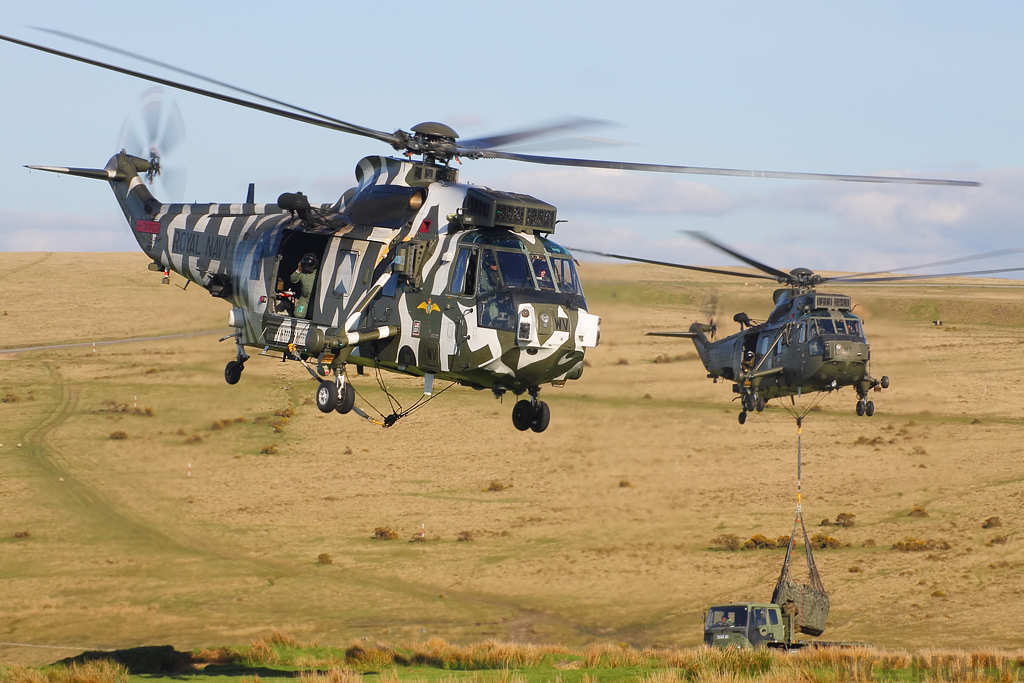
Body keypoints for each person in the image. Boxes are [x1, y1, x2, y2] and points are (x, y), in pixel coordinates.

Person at [290, 253, 318, 318]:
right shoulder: (302, 273)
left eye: (311, 268)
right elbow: (293, 280)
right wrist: (298, 271)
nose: (309, 269)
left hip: (314, 298)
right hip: (304, 298)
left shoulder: (318, 273)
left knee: (313, 315)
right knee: (298, 314)